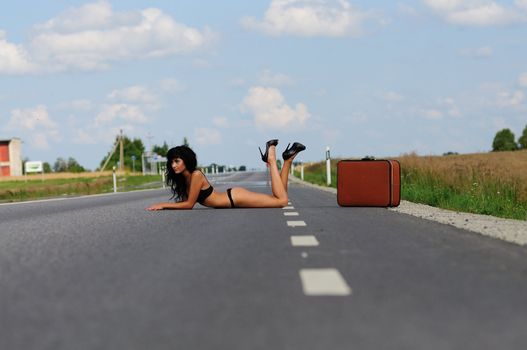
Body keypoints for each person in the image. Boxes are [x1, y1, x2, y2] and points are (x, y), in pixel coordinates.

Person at [146, 140, 306, 210]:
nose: (173, 165)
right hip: (233, 198)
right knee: (279, 197)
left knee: (282, 201)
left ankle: (271, 158)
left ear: (186, 160)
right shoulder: (187, 178)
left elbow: (189, 205)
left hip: (234, 198)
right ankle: (288, 160)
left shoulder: (196, 175)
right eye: (171, 162)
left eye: (177, 161)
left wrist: (164, 205)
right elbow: (188, 201)